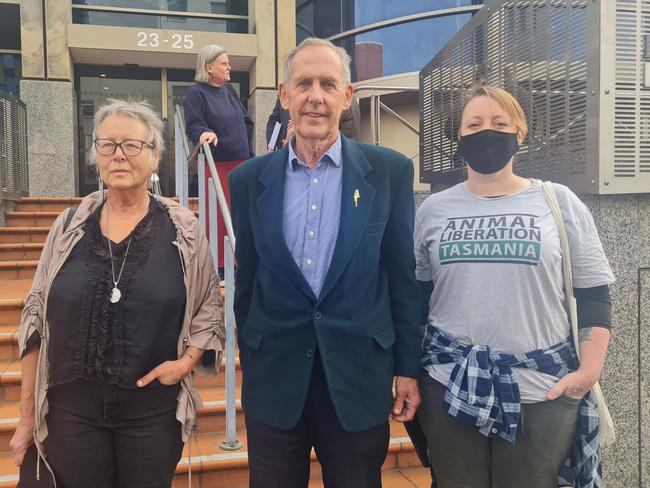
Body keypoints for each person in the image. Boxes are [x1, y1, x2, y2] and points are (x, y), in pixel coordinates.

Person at [228, 37, 422, 488]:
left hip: (357, 378)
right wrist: (254, 352)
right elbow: (247, 280)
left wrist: (407, 368)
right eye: (304, 83)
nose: (315, 96)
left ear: (346, 96)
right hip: (275, 379)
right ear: (284, 94)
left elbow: (401, 278)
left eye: (328, 84)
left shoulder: (389, 171)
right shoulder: (248, 180)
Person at [10, 99, 225, 487]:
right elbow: (35, 318)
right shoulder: (69, 225)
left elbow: (209, 308)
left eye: (132, 145)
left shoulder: (185, 229)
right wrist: (27, 417)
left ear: (155, 157)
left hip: (151, 414)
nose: (118, 155)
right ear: (96, 156)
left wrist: (185, 363)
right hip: (70, 413)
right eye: (107, 145)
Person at [414, 85, 615, 488]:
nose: (486, 131)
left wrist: (589, 371)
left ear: (519, 133)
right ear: (460, 136)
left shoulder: (558, 202)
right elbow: (418, 298)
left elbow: (593, 294)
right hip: (449, 386)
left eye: (499, 123)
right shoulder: (433, 209)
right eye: (474, 123)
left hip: (543, 393)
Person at [184, 44, 254, 268]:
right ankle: (221, 266)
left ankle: (241, 260)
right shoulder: (196, 93)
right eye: (224, 63)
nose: (229, 67)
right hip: (218, 167)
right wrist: (204, 132)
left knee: (242, 216)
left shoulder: (229, 90)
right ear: (209, 67)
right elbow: (194, 126)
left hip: (242, 163)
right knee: (221, 219)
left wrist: (250, 155)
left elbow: (245, 120)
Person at [266, 94, 360, 151]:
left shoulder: (343, 102)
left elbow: (347, 144)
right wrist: (273, 146)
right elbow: (274, 120)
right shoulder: (285, 95)